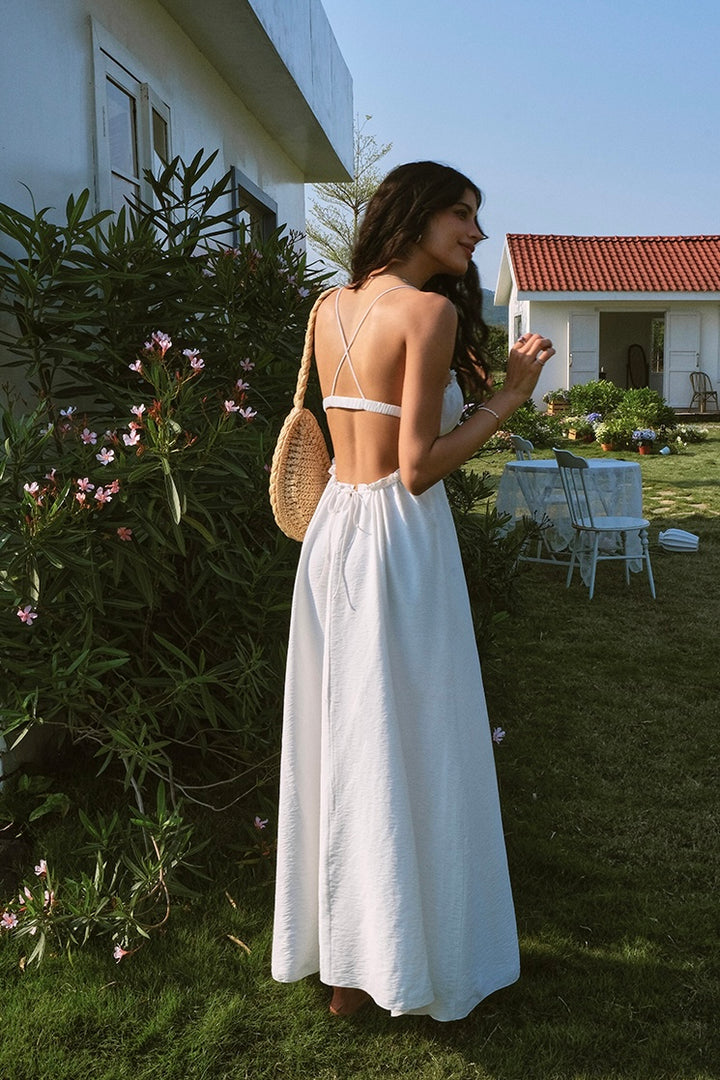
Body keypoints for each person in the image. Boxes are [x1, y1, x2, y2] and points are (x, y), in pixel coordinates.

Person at [271, 161, 554, 1021]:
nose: (476, 232)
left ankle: (345, 967)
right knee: (417, 733)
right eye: (462, 214)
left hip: (334, 532)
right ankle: (396, 954)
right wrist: (510, 396)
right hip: (398, 539)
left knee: (342, 732)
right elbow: (419, 467)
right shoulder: (429, 314)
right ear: (415, 215)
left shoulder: (327, 306)